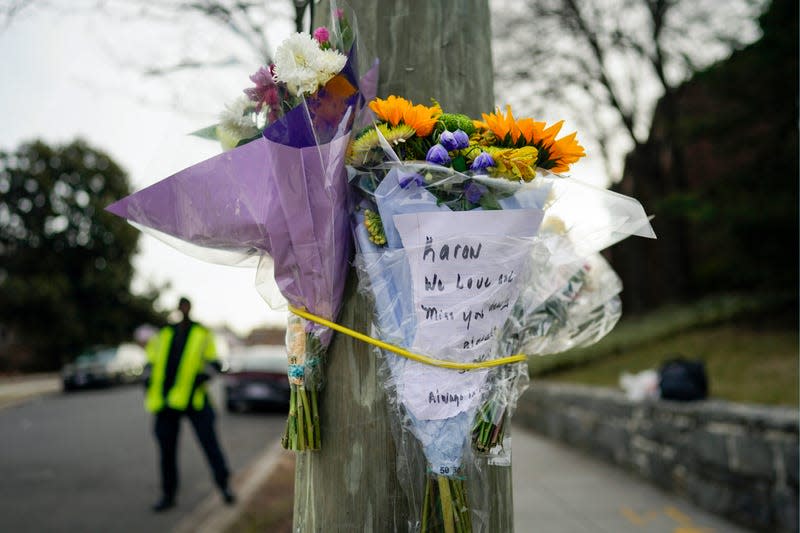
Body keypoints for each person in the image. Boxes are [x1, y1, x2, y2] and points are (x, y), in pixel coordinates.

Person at [144, 297, 235, 512]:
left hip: (195, 401)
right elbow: (150, 362)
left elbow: (214, 362)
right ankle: (168, 495)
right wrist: (147, 380)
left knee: (211, 447)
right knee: (166, 452)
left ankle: (224, 487)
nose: (183, 309)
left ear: (190, 308)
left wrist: (202, 377)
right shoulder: (164, 333)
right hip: (166, 403)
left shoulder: (202, 333)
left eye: (186, 306)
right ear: (178, 309)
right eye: (181, 306)